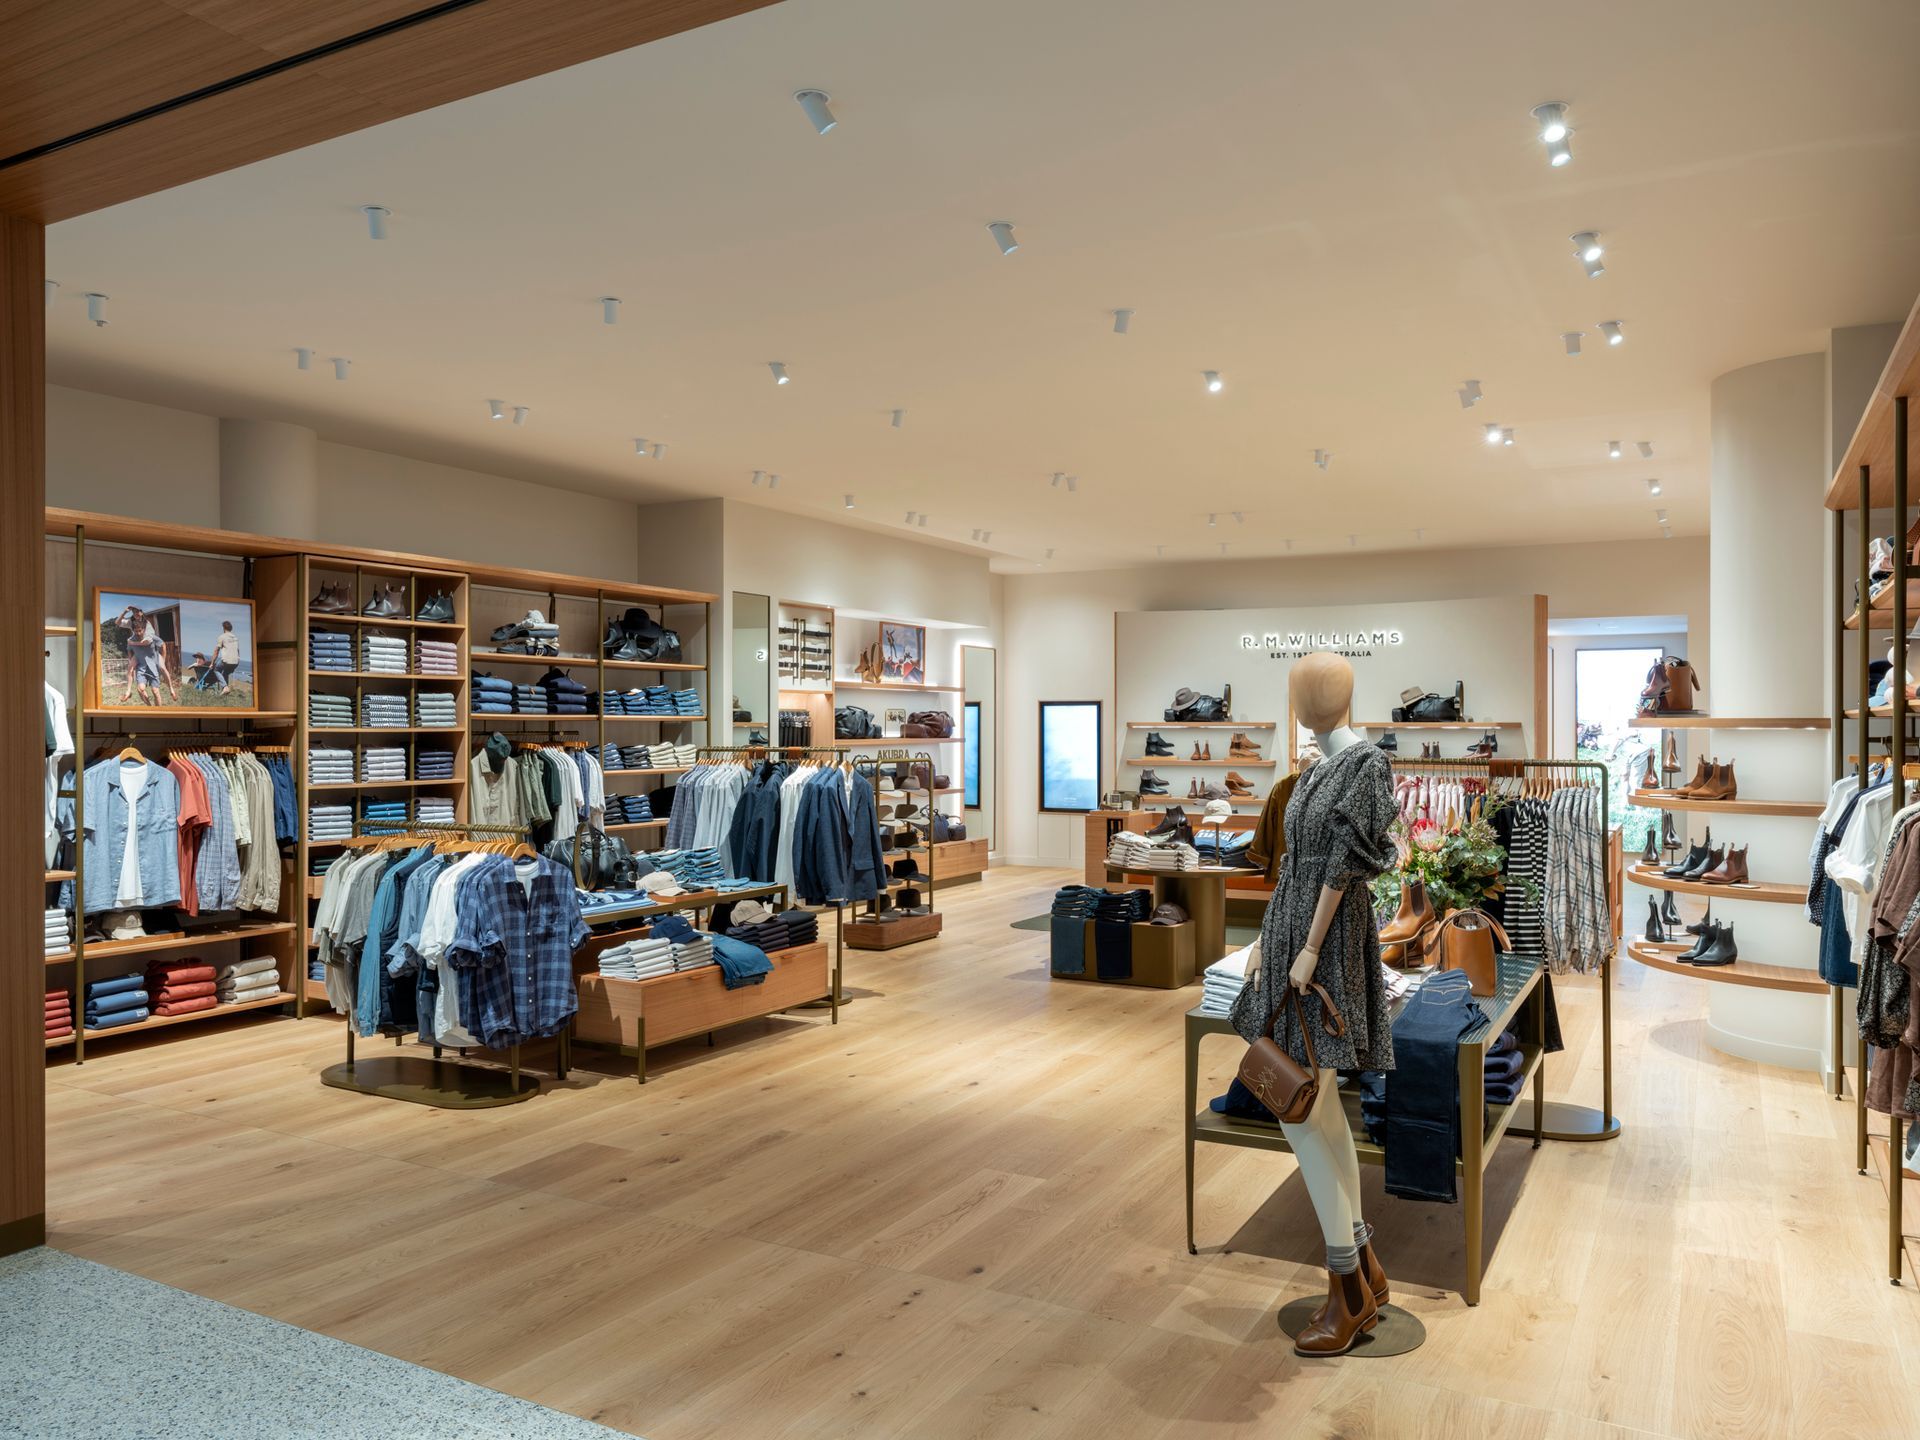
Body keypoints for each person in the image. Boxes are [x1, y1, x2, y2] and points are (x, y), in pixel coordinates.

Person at [209, 620, 242, 694]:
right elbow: (237, 650)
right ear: (231, 628)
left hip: (227, 660)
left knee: (216, 670)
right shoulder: (235, 638)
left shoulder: (222, 637)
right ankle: (225, 692)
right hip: (236, 661)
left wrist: (212, 663)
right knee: (225, 673)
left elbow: (216, 651)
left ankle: (225, 687)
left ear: (223, 628)